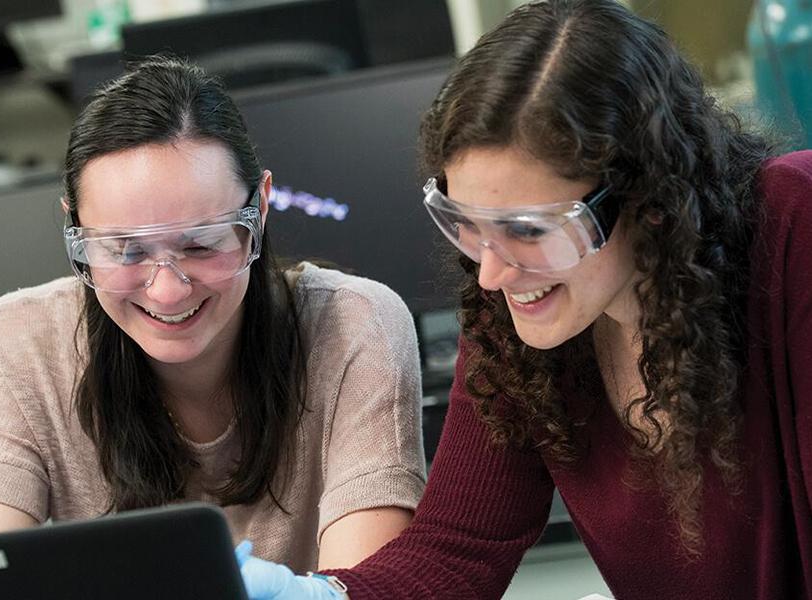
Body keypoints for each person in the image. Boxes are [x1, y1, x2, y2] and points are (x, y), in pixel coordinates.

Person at [238, 0, 812, 598]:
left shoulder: (796, 224)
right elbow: (457, 549)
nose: (491, 272)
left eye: (530, 230)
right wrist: (321, 597)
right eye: (466, 223)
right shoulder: (518, 314)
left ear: (650, 197)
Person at [0, 57, 426, 573]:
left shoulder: (355, 326)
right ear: (75, 225)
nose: (167, 291)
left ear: (259, 208)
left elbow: (363, 588)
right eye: (125, 251)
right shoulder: (20, 343)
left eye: (200, 244)